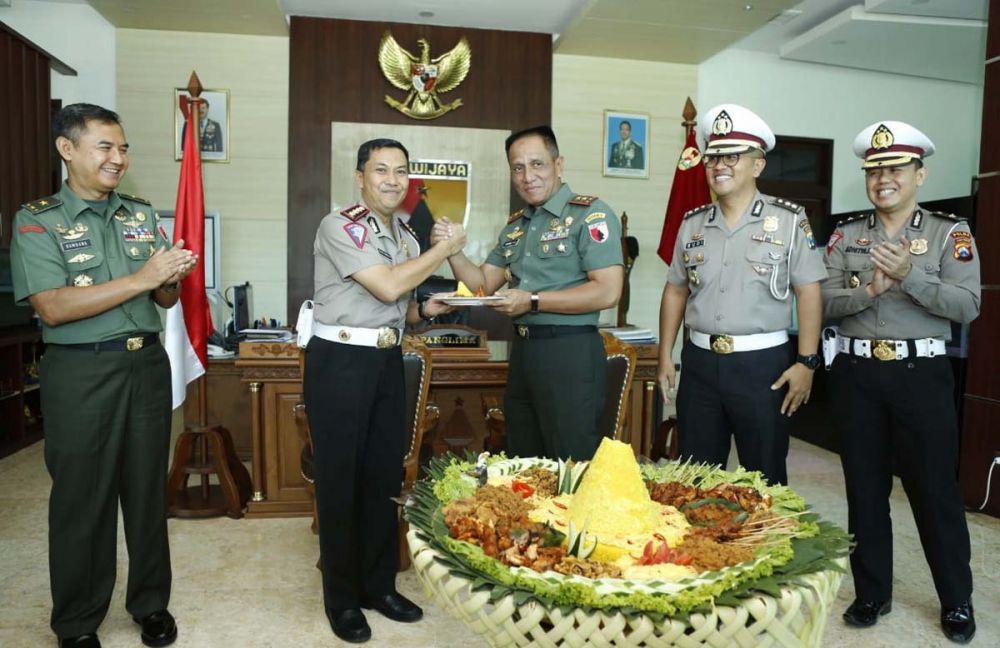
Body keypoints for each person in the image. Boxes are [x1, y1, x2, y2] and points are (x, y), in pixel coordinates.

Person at [10, 103, 198, 648]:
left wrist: (170, 277)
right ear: (67, 149)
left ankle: (150, 604)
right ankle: (76, 622)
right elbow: (52, 307)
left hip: (145, 363)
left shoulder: (139, 214)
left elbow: (162, 297)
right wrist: (144, 277)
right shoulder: (38, 219)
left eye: (123, 148)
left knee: (144, 493)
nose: (119, 158)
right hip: (81, 370)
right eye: (105, 147)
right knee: (82, 501)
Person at [303, 138, 465, 644]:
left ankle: (379, 586)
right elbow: (388, 287)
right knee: (341, 481)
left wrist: (427, 311)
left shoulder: (406, 237)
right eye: (381, 170)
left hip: (386, 360)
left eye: (401, 172)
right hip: (341, 364)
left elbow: (401, 308)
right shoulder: (341, 224)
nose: (392, 180)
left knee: (381, 478)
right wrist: (446, 249)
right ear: (360, 176)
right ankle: (342, 599)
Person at [822, 121, 978, 643]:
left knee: (934, 492)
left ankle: (956, 601)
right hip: (859, 373)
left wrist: (911, 276)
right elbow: (820, 300)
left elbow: (967, 305)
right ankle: (872, 594)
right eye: (874, 169)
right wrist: (868, 290)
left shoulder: (948, 233)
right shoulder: (846, 235)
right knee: (864, 490)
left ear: (919, 174)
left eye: (895, 168)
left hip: (921, 376)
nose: (883, 177)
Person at [656, 104, 825, 486]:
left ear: (758, 165)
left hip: (762, 367)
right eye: (713, 156)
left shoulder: (788, 219)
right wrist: (666, 353)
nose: (719, 165)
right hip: (699, 364)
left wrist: (807, 362)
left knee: (763, 478)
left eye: (732, 155)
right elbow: (675, 290)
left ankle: (764, 545)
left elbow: (809, 290)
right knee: (694, 479)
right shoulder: (693, 222)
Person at [433, 125, 623, 461]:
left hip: (569, 351)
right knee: (525, 461)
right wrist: (451, 250)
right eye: (518, 168)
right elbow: (481, 285)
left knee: (571, 462)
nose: (527, 176)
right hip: (524, 352)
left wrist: (532, 300)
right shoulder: (516, 226)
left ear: (558, 164)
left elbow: (607, 291)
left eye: (537, 164)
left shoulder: (590, 215)